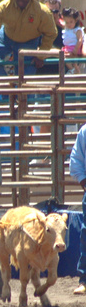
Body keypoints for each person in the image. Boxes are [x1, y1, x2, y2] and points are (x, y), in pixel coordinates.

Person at [68, 124, 86, 295]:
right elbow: (76, 161)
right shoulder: (85, 132)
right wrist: (84, 182)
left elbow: (76, 160)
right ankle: (85, 280)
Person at [36, 0, 64, 75]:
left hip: (60, 76)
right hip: (38, 76)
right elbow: (34, 52)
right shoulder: (36, 29)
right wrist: (58, 52)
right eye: (49, 11)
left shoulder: (65, 30)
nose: (52, 14)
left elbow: (71, 52)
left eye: (55, 11)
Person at [61, 7, 84, 75]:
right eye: (67, 22)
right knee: (64, 59)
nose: (69, 24)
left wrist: (75, 49)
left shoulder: (77, 30)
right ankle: (72, 70)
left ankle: (77, 70)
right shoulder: (67, 29)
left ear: (75, 20)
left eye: (71, 22)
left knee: (74, 60)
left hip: (74, 47)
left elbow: (80, 40)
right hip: (67, 48)